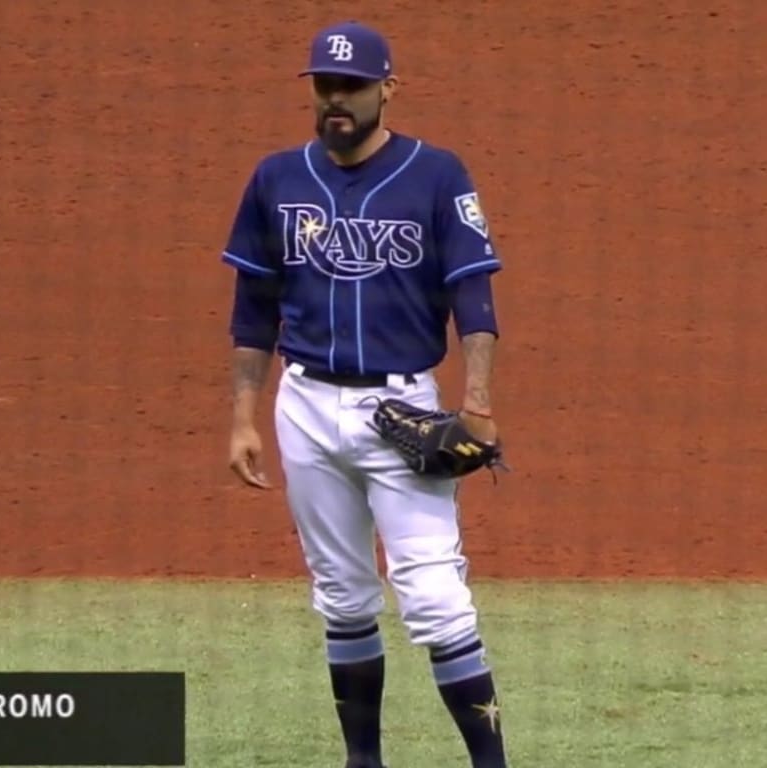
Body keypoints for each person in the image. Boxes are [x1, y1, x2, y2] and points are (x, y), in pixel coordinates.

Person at [219, 19, 511, 768]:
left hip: (402, 406)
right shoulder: (276, 179)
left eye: (351, 86)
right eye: (324, 86)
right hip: (305, 405)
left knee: (435, 598)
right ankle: (363, 760)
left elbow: (472, 294)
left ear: (388, 88)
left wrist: (476, 398)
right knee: (342, 594)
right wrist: (243, 420)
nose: (336, 100)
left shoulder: (437, 174)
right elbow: (253, 307)